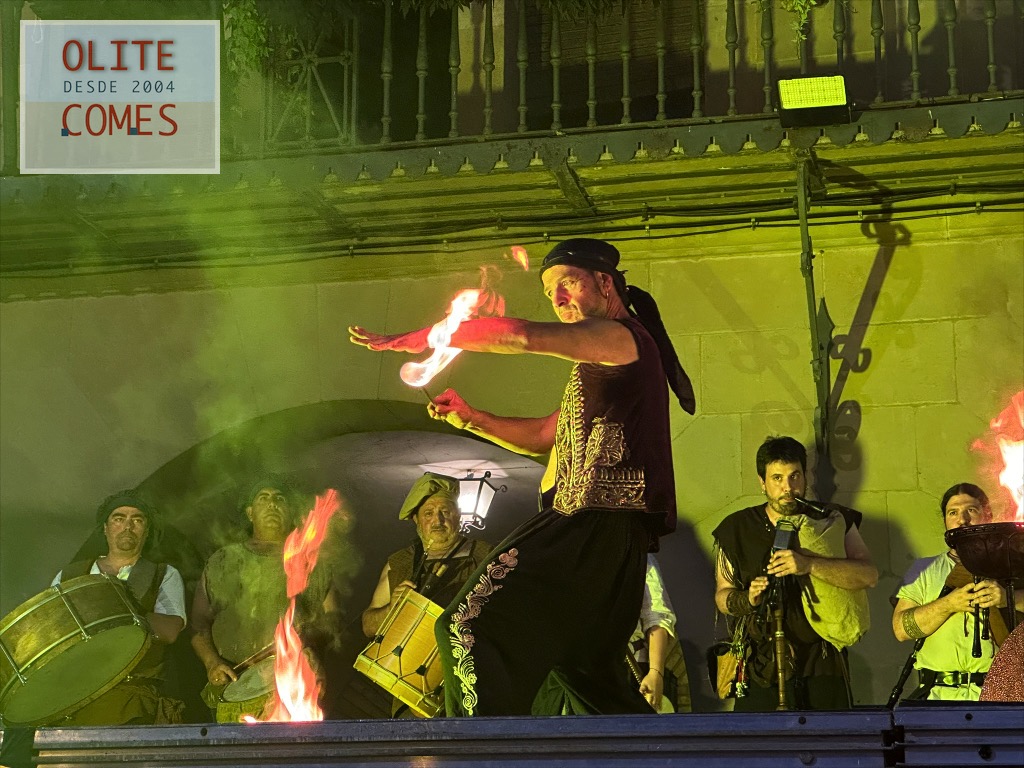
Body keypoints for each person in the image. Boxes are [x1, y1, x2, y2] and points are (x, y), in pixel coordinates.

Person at [350, 237, 695, 716]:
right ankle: (648, 751)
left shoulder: (622, 337)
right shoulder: (601, 364)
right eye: (550, 292)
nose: (558, 299)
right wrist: (473, 419)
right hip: (609, 540)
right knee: (587, 675)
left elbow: (522, 336)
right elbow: (544, 435)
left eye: (567, 283)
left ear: (604, 283)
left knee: (463, 627)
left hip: (587, 524)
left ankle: (479, 750)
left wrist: (431, 337)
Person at [713, 436, 877, 711]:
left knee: (829, 735)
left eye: (794, 476)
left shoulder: (832, 519)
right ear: (762, 482)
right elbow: (722, 595)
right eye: (777, 478)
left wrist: (809, 565)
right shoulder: (736, 528)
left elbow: (868, 575)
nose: (787, 487)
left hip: (822, 660)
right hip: (761, 665)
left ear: (805, 476)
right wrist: (748, 598)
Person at [190, 477, 340, 722]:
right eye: (263, 498)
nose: (272, 504)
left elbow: (333, 617)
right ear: (250, 513)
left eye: (279, 498)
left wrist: (311, 648)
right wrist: (212, 663)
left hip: (293, 684)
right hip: (236, 688)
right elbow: (198, 625)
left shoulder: (313, 562)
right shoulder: (223, 560)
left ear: (290, 511)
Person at [360, 472, 492, 715]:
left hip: (472, 693)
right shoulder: (398, 563)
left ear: (458, 515)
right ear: (416, 520)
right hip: (409, 697)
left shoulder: (486, 556)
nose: (437, 520)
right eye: (428, 513)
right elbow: (368, 626)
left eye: (445, 511)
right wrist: (392, 609)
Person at [52, 490, 187, 725]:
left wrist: (115, 605)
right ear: (105, 528)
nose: (127, 526)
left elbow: (169, 632)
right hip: (75, 698)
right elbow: (52, 631)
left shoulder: (163, 574)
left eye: (137, 520)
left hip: (133, 699)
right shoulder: (69, 576)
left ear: (146, 531)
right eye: (118, 518)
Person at [892, 482, 1021, 702]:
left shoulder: (1013, 565)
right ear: (945, 521)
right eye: (953, 513)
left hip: (998, 695)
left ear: (987, 515)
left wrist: (1007, 598)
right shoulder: (923, 569)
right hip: (938, 696)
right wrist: (949, 604)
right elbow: (901, 630)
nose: (962, 520)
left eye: (971, 510)